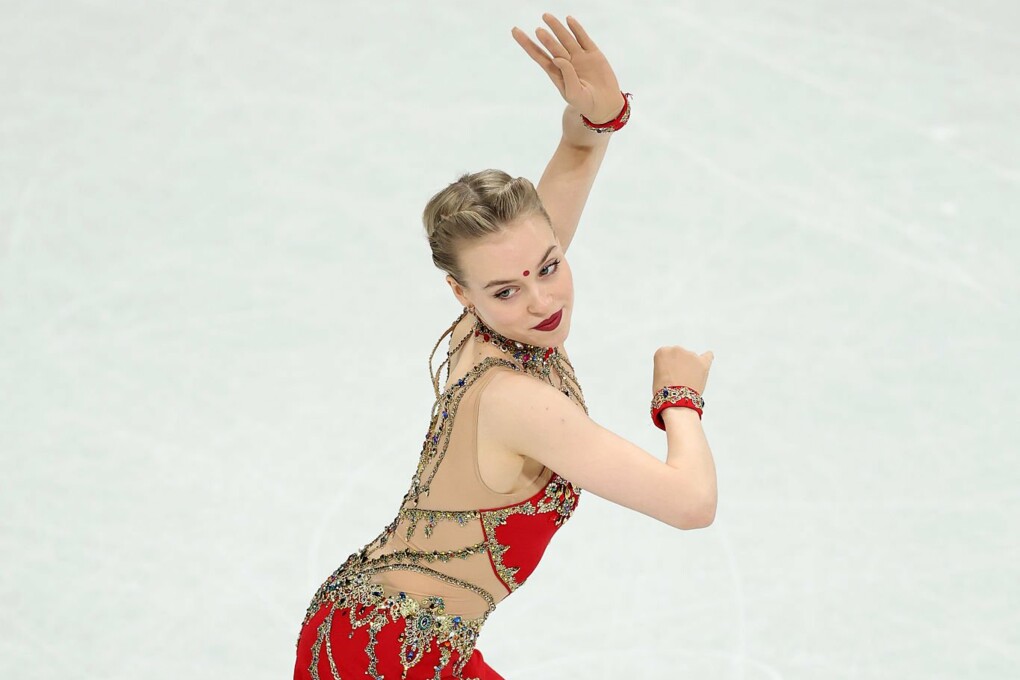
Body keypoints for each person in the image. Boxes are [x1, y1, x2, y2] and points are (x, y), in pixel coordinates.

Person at [293, 13, 717, 680]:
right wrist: (678, 396)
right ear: (462, 294)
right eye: (507, 290)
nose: (542, 303)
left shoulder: (496, 317)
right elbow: (690, 504)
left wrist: (598, 116)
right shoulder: (519, 402)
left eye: (550, 266)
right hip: (387, 658)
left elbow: (575, 156)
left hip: (394, 633)